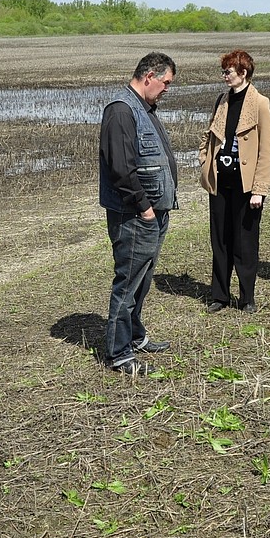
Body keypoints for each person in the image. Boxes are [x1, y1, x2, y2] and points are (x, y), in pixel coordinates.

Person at [99, 52, 179, 376]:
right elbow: (121, 168)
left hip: (152, 214)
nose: (166, 90)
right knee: (128, 284)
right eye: (166, 83)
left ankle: (134, 335)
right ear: (149, 76)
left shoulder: (144, 108)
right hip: (134, 216)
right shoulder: (121, 110)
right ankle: (119, 354)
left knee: (142, 282)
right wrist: (145, 208)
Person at [199, 49, 270, 314]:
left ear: (243, 72)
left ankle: (247, 298)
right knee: (219, 240)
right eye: (224, 71)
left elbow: (266, 151)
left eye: (228, 72)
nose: (224, 76)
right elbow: (208, 135)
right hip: (220, 184)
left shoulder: (260, 103)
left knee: (245, 242)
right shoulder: (221, 100)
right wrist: (204, 160)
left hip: (247, 188)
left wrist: (260, 190)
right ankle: (219, 296)